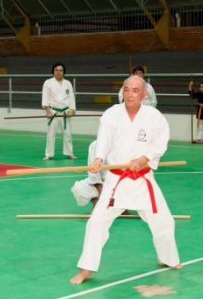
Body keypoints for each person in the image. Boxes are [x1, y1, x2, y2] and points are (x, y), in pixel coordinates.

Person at [70, 75, 181, 285]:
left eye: (135, 91)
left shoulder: (154, 117)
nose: (129, 95)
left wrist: (145, 158)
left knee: (164, 221)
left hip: (143, 180)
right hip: (116, 181)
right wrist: (99, 158)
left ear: (144, 94)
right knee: (96, 223)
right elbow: (104, 139)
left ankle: (167, 258)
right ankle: (86, 269)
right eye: (126, 89)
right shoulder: (112, 114)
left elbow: (161, 141)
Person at [41, 62, 76, 160]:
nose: (58, 72)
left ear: (64, 72)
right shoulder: (48, 82)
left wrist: (72, 110)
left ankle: (69, 153)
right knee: (51, 134)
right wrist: (47, 110)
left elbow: (71, 98)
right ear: (53, 71)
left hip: (65, 112)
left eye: (61, 70)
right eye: (56, 70)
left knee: (68, 134)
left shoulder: (67, 83)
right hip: (53, 112)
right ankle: (48, 154)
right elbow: (45, 97)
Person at [71, 140, 104, 210]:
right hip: (103, 183)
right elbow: (94, 176)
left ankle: (123, 208)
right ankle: (97, 203)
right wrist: (103, 199)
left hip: (120, 183)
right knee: (79, 188)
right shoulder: (95, 145)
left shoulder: (124, 143)